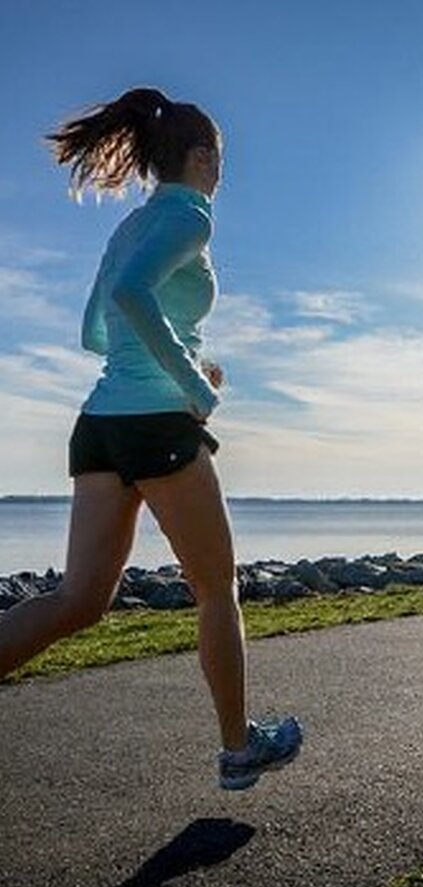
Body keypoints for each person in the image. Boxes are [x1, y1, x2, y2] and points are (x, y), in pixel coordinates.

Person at [0, 86, 302, 791]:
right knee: (215, 590)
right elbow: (135, 298)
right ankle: (238, 750)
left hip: (100, 425)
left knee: (78, 601)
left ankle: (238, 743)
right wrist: (196, 389)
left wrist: (186, 358)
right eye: (220, 160)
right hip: (160, 427)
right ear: (199, 157)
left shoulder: (130, 227)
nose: (222, 174)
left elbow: (94, 331)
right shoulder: (189, 220)